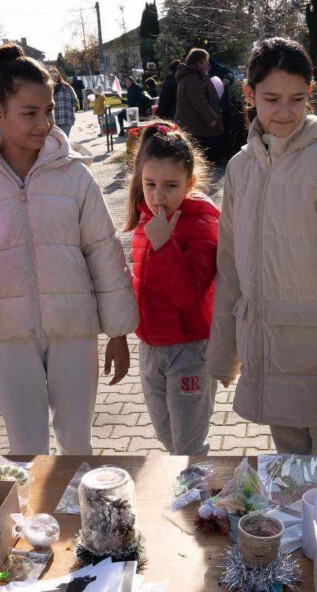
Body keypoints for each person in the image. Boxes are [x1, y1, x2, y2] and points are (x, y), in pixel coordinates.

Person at [0, 43, 137, 455]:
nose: (43, 123)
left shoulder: (75, 176)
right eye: (29, 113)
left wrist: (117, 331)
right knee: (26, 449)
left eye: (47, 111)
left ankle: (79, 516)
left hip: (74, 329)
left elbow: (104, 251)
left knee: (77, 443)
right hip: (8, 333)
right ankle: (37, 519)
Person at [207, 37, 317, 456]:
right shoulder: (240, 168)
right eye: (271, 99)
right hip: (265, 351)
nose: (284, 112)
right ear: (249, 95)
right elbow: (228, 265)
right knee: (286, 480)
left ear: (311, 94)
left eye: (297, 99)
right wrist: (225, 352)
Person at [124, 123, 219, 454]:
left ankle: (196, 502)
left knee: (188, 444)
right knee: (167, 437)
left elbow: (188, 294)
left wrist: (164, 246)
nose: (158, 196)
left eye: (170, 185)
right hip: (151, 349)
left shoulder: (201, 223)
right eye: (150, 184)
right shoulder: (145, 221)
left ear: (190, 183)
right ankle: (187, 492)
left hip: (190, 350)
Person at [176, 48, 224, 163]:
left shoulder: (191, 75)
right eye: (206, 60)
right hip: (200, 127)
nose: (208, 63)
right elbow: (199, 101)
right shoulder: (193, 77)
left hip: (195, 125)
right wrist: (211, 118)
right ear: (200, 61)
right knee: (206, 161)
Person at [51, 69, 80, 137]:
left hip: (54, 120)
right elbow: (75, 101)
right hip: (67, 118)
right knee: (65, 139)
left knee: (56, 141)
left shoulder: (49, 89)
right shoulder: (68, 87)